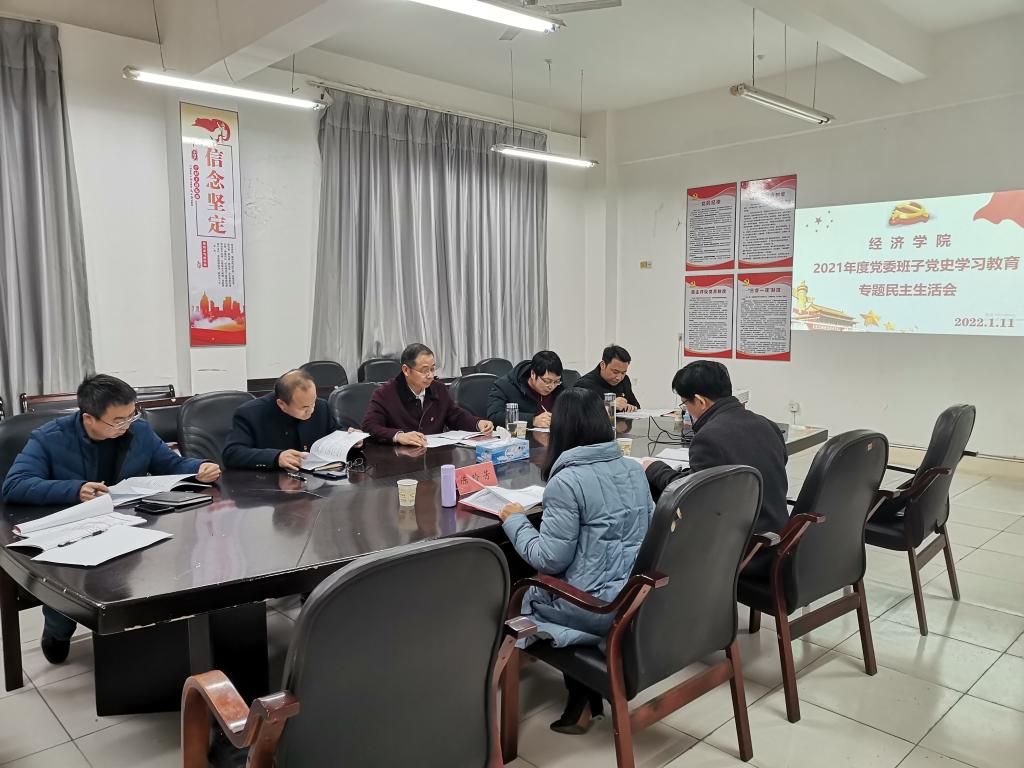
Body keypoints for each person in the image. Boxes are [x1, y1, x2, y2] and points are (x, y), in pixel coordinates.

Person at [1, 374, 221, 663]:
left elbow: (170, 464)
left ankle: (131, 645)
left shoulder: (138, 431)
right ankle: (57, 629)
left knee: (145, 573)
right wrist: (75, 489)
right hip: (73, 529)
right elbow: (14, 485)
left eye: (132, 414)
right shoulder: (50, 438)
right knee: (70, 581)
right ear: (89, 418)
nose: (127, 424)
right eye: (118, 420)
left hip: (128, 523)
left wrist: (199, 467)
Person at [498, 388, 654, 734]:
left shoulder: (567, 482)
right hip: (634, 598)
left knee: (519, 586)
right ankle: (582, 697)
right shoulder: (633, 469)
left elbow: (548, 559)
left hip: (593, 608)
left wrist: (515, 520)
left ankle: (500, 677)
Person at [644, 361, 788, 542]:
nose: (686, 409)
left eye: (685, 403)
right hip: (777, 534)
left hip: (739, 544)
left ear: (700, 401)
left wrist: (654, 468)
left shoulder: (708, 438)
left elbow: (691, 495)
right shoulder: (768, 425)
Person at [362, 343, 493, 445]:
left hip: (433, 456)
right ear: (406, 370)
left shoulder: (438, 389)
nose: (430, 375)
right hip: (399, 459)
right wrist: (399, 436)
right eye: (424, 370)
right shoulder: (385, 393)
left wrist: (478, 423)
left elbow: (456, 416)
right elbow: (369, 426)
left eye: (432, 369)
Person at [223, 369, 338, 471]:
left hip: (316, 480)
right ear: (281, 404)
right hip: (269, 482)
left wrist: (347, 438)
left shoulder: (322, 406)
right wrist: (276, 457)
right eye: (303, 408)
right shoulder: (250, 413)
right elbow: (232, 453)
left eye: (313, 402)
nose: (311, 410)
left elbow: (335, 434)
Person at [487, 350, 565, 428]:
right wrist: (532, 420)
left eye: (556, 381)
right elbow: (494, 416)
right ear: (533, 374)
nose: (551, 386)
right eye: (547, 381)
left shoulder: (559, 387)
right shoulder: (505, 385)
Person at [573, 344, 641, 412]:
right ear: (603, 365)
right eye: (615, 372)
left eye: (623, 373)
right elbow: (578, 412)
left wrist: (631, 408)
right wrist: (609, 405)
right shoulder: (584, 385)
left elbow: (636, 407)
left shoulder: (625, 380)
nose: (619, 378)